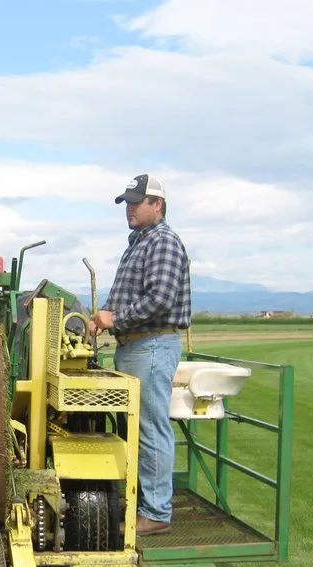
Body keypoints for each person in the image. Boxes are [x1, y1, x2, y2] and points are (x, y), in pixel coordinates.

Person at [89, 174, 191, 536]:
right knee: (136, 428)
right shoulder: (139, 242)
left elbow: (160, 299)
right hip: (135, 346)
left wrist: (115, 317)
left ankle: (157, 512)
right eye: (127, 202)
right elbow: (127, 295)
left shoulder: (163, 242)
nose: (129, 208)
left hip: (151, 346)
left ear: (157, 205)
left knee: (150, 429)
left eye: (136, 202)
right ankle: (141, 502)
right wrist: (102, 316)